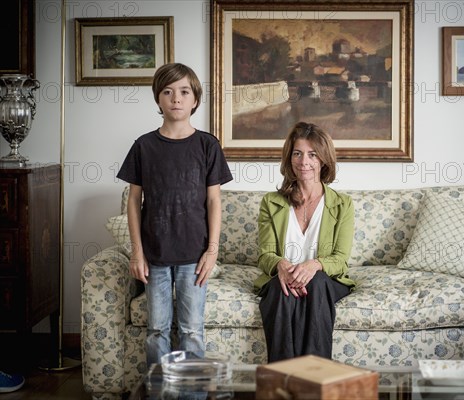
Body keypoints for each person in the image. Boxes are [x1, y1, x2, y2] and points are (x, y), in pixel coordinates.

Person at [117, 63, 233, 366]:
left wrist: (212, 251)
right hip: (154, 255)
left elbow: (214, 202)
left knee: (192, 330)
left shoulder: (208, 145)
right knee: (157, 330)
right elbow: (133, 201)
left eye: (184, 92)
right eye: (167, 92)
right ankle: (160, 392)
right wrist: (136, 253)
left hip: (194, 256)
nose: (176, 98)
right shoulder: (144, 146)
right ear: (158, 99)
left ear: (195, 99)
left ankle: (192, 394)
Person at [254, 121, 355, 362]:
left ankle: (315, 377)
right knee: (281, 289)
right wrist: (282, 266)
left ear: (323, 160)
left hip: (324, 281)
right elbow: (265, 254)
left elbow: (340, 260)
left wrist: (314, 265)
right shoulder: (271, 202)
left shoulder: (343, 204)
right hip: (283, 277)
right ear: (289, 159)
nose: (304, 162)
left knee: (317, 283)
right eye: (297, 154)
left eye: (312, 154)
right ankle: (282, 380)